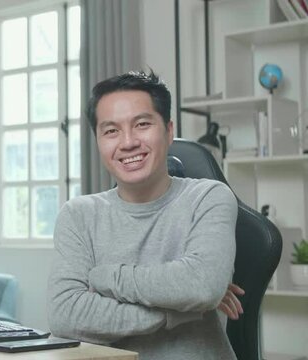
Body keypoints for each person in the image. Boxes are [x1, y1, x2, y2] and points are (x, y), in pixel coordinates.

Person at [47, 70, 244, 359]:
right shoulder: (78, 215)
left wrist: (103, 278)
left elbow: (201, 286)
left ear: (168, 129)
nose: (127, 142)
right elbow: (65, 315)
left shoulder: (208, 197)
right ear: (98, 140)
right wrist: (181, 312)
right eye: (111, 130)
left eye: (141, 124)